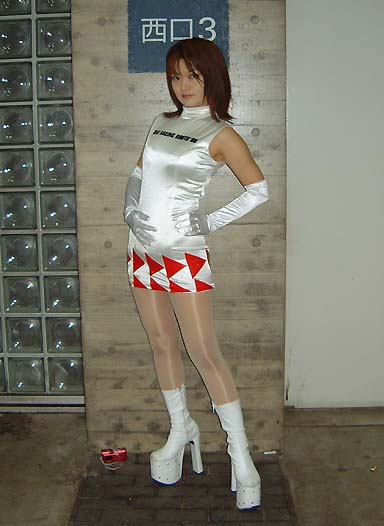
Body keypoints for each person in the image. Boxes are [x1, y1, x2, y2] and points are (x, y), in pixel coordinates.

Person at [123, 37, 269, 511]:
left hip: (184, 256)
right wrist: (130, 211)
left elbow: (258, 190)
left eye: (193, 75)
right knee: (161, 343)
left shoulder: (220, 134)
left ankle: (240, 455)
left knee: (204, 351)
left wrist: (209, 222)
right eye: (176, 76)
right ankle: (180, 428)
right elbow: (139, 174)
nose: (183, 85)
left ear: (212, 77)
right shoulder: (160, 122)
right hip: (141, 250)